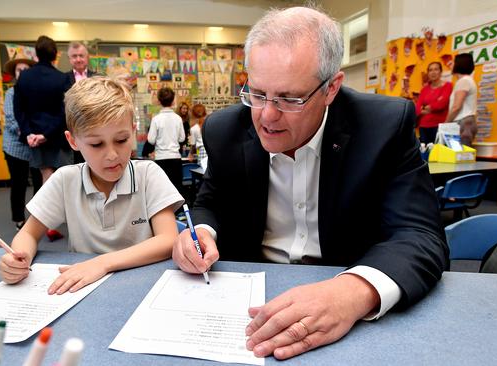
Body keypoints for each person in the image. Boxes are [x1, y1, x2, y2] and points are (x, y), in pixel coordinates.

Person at [172, 6, 448, 360]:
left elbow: (420, 235)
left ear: (331, 87)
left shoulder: (383, 127)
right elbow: (211, 202)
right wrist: (202, 232)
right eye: (256, 93)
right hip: (248, 304)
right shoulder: (224, 129)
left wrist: (352, 291)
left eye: (289, 99)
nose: (267, 117)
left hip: (348, 299)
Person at [0, 77, 184, 294]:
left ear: (133, 131)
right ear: (73, 141)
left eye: (122, 140)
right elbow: (28, 234)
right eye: (96, 144)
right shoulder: (65, 180)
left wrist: (102, 263)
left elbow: (168, 239)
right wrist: (19, 258)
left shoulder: (148, 174)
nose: (112, 155)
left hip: (145, 285)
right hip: (84, 290)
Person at [14, 35, 71, 241]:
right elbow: (65, 111)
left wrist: (29, 132)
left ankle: (45, 223)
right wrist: (46, 134)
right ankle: (54, 222)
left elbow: (18, 109)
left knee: (46, 178)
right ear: (55, 55)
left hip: (33, 137)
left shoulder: (24, 77)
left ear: (36, 54)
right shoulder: (62, 78)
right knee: (64, 177)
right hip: (55, 136)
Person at [2, 57, 43, 230]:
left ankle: (38, 218)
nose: (23, 73)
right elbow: (11, 121)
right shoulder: (11, 93)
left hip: (36, 145)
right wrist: (28, 134)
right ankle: (18, 219)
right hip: (15, 147)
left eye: (26, 70)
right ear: (15, 74)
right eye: (19, 70)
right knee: (18, 184)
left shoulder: (38, 93)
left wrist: (39, 135)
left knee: (39, 184)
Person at [147, 87, 186, 194]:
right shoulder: (178, 118)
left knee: (162, 190)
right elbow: (182, 138)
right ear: (173, 101)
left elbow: (150, 139)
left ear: (159, 101)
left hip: (161, 159)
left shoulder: (156, 119)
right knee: (177, 188)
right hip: (175, 158)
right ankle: (179, 211)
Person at [66, 41, 95, 164]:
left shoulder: (98, 77)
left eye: (81, 55)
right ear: (69, 59)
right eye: (74, 56)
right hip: (73, 130)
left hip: (95, 127)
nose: (78, 59)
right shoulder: (62, 79)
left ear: (87, 57)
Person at [415, 62, 452, 144]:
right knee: (425, 154)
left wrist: (428, 107)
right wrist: (429, 108)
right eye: (430, 70)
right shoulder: (424, 89)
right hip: (423, 126)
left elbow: (442, 104)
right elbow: (418, 108)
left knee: (438, 154)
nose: (433, 72)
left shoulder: (447, 86)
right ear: (428, 73)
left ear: (440, 72)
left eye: (436, 69)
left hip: (439, 126)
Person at [445, 53, 477, 146]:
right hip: (465, 122)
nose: (450, 65)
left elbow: (456, 106)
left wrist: (446, 123)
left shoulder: (464, 81)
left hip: (463, 122)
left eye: (453, 62)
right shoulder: (466, 80)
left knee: (460, 156)